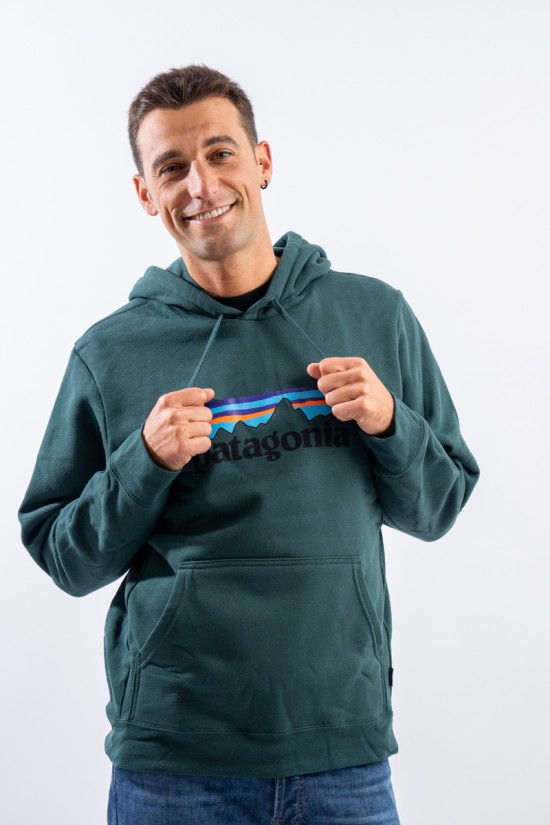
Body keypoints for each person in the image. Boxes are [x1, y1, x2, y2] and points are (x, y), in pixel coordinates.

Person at [19, 65, 479, 824]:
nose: (200, 184)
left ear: (262, 161)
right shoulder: (109, 353)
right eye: (171, 167)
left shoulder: (374, 314)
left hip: (343, 748)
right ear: (146, 193)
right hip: (176, 761)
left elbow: (438, 509)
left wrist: (390, 422)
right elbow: (65, 557)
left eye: (220, 153)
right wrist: (144, 461)